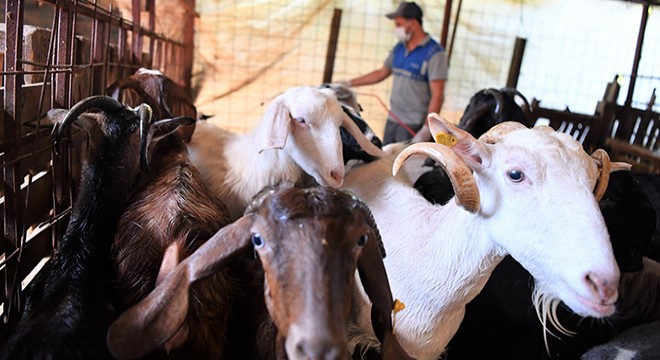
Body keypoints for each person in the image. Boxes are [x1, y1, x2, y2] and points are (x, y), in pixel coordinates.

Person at [343, 2, 448, 144]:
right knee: (387, 161)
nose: (396, 29)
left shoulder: (435, 53)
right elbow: (381, 73)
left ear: (413, 24)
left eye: (399, 24)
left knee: (405, 164)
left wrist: (426, 128)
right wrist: (347, 84)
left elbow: (438, 94)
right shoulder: (399, 48)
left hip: (413, 124)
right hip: (393, 118)